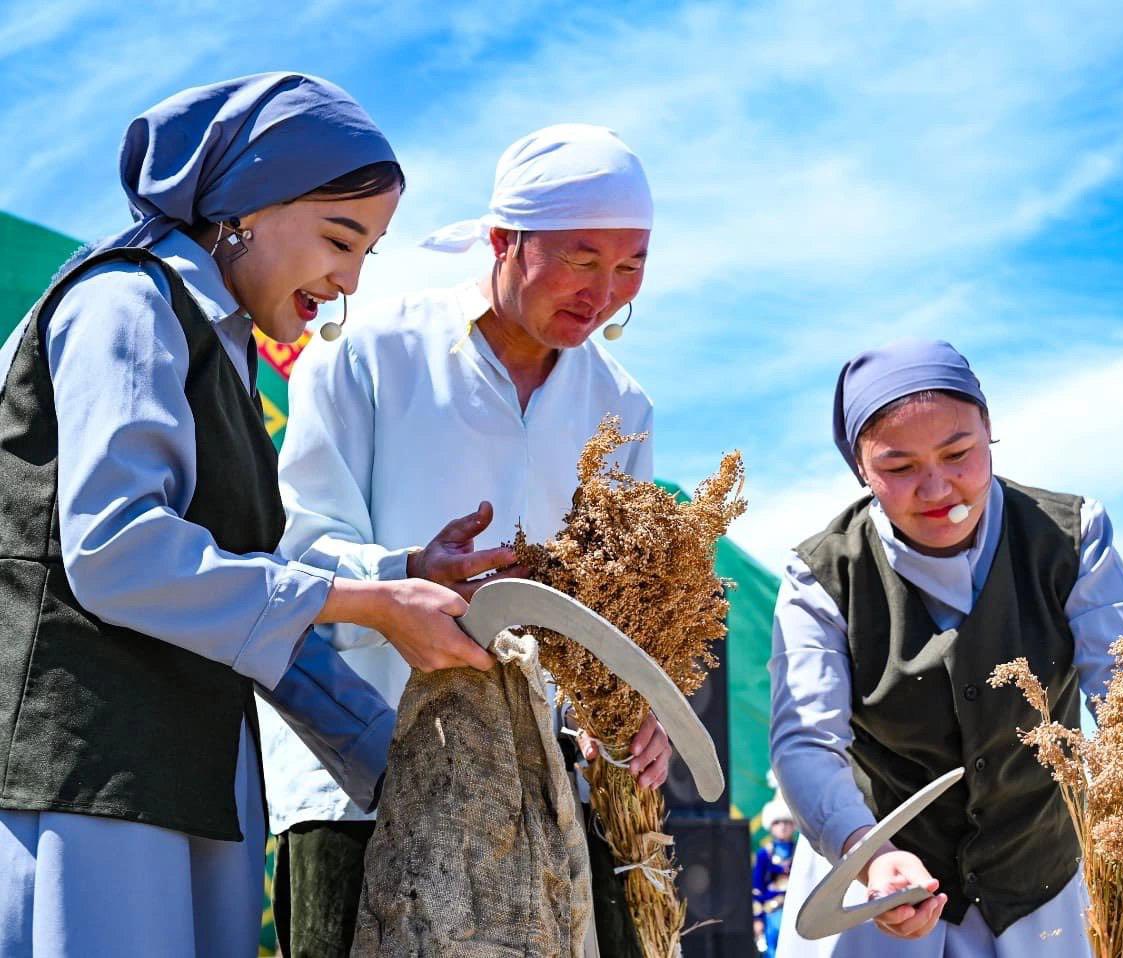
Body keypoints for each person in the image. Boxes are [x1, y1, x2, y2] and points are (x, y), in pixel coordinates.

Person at [0, 74, 494, 958]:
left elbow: (244, 607)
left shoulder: (221, 351)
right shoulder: (126, 302)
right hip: (85, 780)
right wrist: (368, 604)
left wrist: (402, 598)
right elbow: (120, 553)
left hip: (192, 786)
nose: (348, 281)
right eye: (339, 239)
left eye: (367, 253)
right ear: (245, 208)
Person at [258, 123, 671, 957]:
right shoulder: (369, 353)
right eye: (581, 258)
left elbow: (615, 599)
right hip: (362, 770)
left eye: (630, 266)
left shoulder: (621, 406)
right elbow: (294, 549)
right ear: (503, 240)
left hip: (542, 790)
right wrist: (405, 576)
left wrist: (632, 702)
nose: (604, 291)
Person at [769, 339, 1123, 957]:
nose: (936, 488)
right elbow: (806, 741)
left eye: (959, 454)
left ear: (990, 434)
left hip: (1040, 885)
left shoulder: (1072, 537)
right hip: (877, 887)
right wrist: (866, 853)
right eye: (899, 468)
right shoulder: (822, 576)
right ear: (861, 470)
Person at [753, 795, 797, 953]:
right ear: (770, 826)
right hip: (772, 914)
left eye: (787, 822)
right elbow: (757, 888)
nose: (783, 827)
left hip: (797, 912)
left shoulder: (800, 853)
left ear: (794, 824)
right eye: (777, 822)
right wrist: (757, 919)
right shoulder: (764, 854)